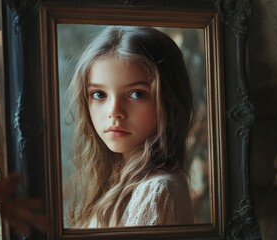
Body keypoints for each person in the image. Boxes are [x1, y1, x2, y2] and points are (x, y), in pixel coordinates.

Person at [65, 26, 195, 228]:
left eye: (137, 94)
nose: (114, 111)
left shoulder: (156, 192)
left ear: (170, 102)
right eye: (99, 94)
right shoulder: (116, 180)